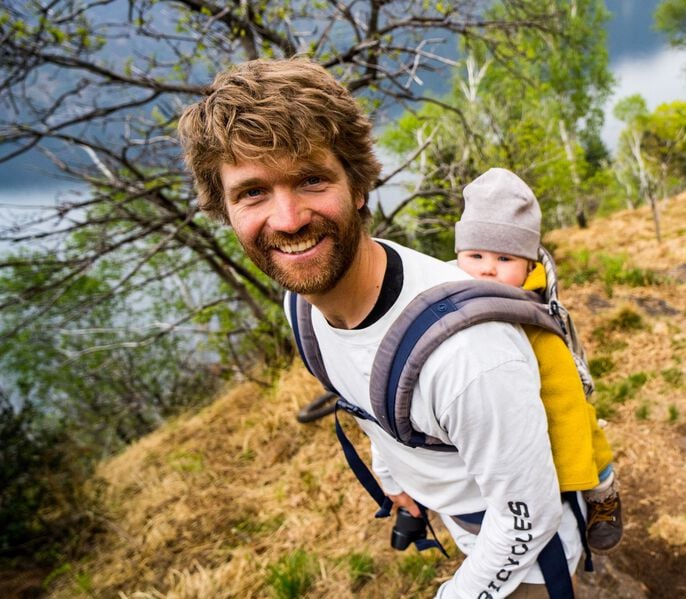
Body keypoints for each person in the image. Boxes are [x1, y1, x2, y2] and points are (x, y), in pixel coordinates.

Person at [177, 58, 584, 598]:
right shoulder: (301, 308)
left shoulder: (471, 358)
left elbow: (527, 517)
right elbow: (366, 402)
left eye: (312, 179)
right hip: (469, 526)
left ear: (359, 186)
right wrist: (396, 481)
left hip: (533, 559)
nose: (288, 218)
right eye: (252, 192)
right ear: (226, 211)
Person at [454, 168, 623, 553]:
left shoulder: (536, 323)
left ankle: (603, 495)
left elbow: (565, 402)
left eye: (504, 257)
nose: (487, 268)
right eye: (475, 255)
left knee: (585, 433)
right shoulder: (450, 299)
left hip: (558, 410)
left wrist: (567, 471)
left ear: (529, 265)